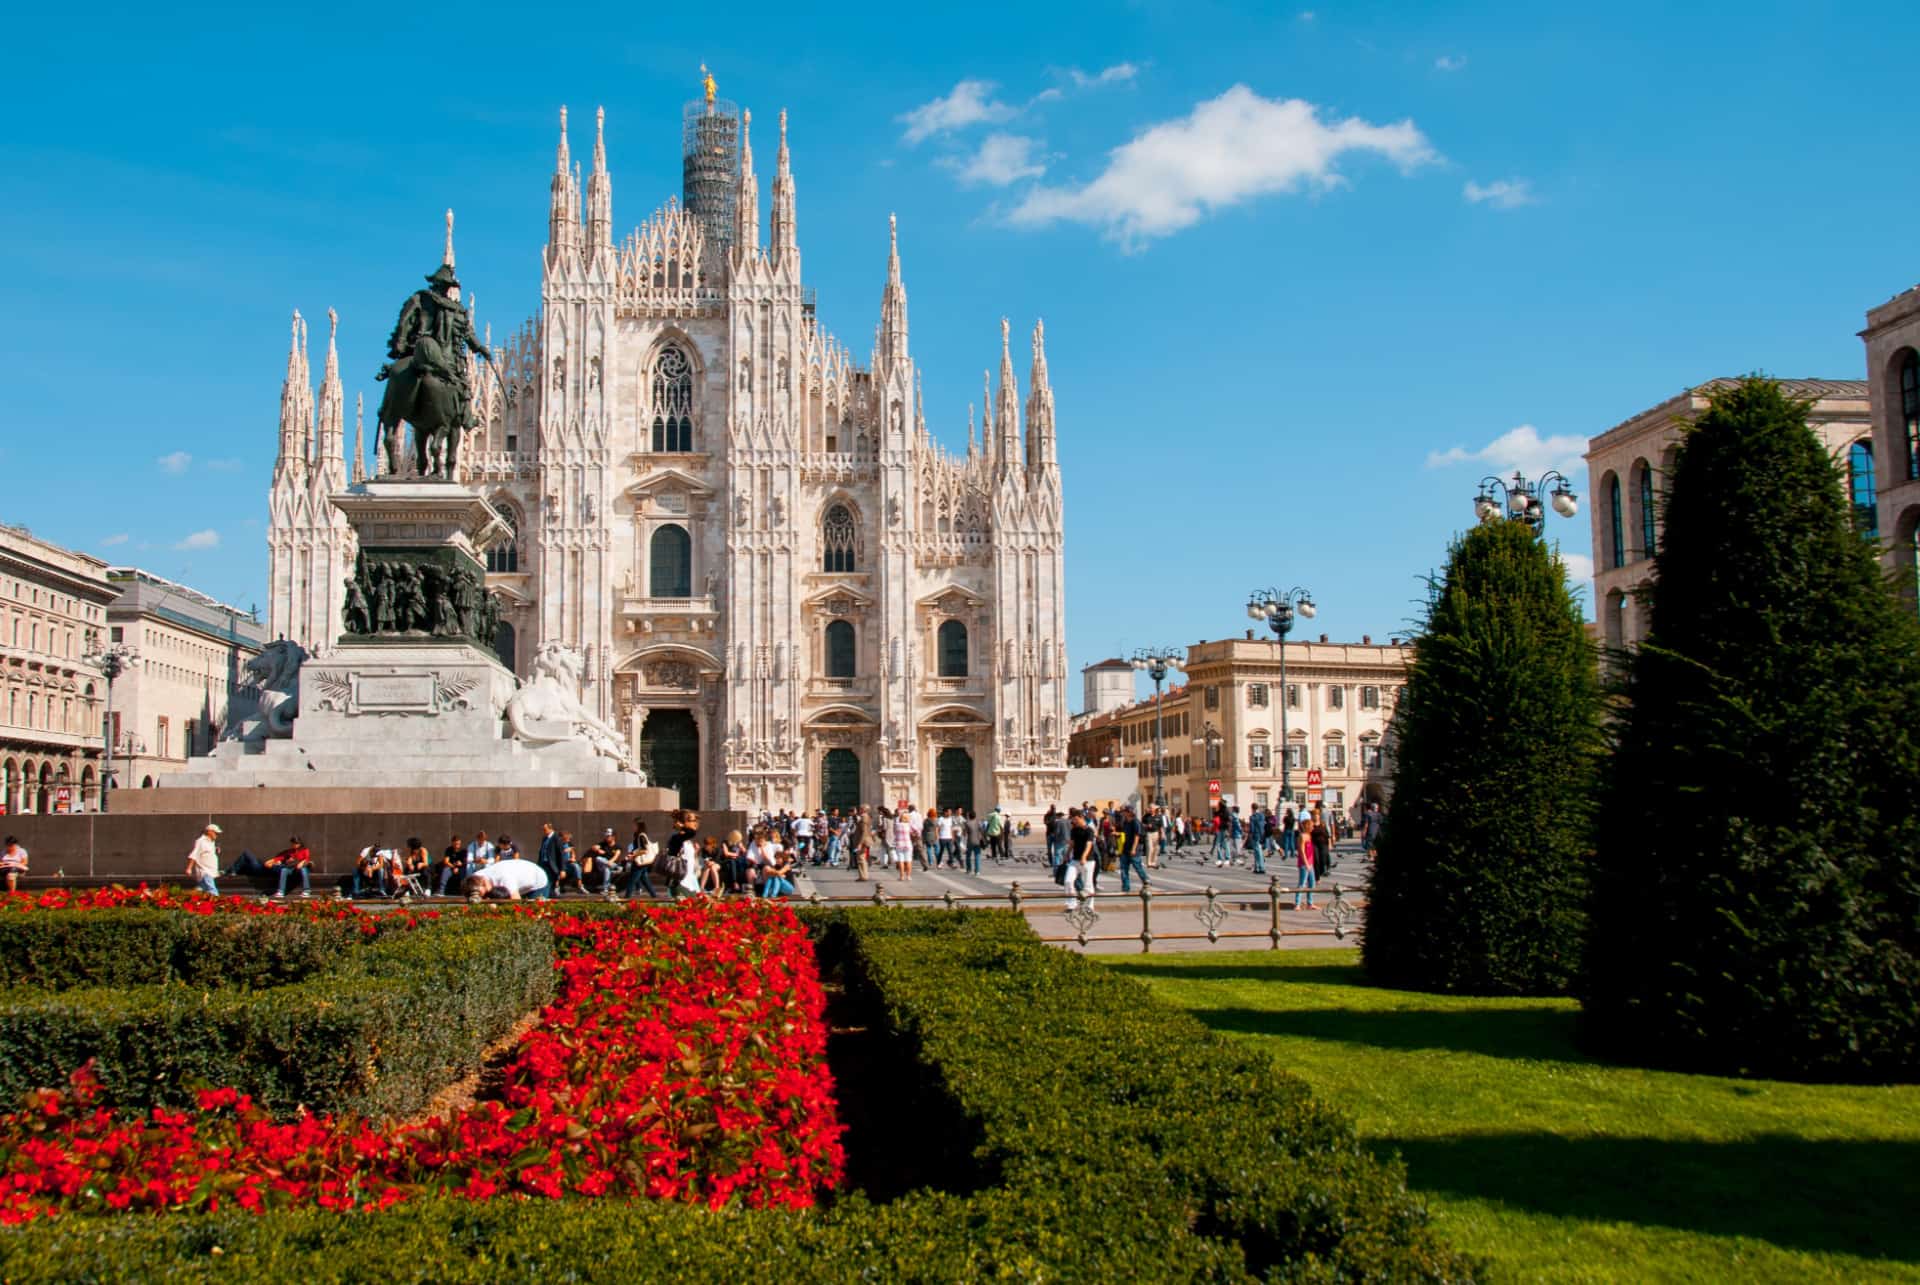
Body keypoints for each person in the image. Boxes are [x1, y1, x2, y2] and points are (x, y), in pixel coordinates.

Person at [464, 856, 550, 901]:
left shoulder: (504, 878)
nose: (485, 897)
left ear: (484, 882)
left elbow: (516, 902)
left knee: (534, 913)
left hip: (537, 881)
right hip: (518, 883)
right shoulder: (475, 878)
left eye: (485, 892)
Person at [623, 821, 660, 898]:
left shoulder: (641, 836)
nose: (633, 827)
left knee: (632, 880)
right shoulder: (639, 835)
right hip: (641, 862)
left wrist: (633, 855)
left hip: (640, 862)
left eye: (634, 825)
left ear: (638, 826)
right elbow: (638, 848)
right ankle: (654, 896)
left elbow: (644, 850)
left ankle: (626, 898)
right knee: (644, 879)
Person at [1117, 806, 1149, 893]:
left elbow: (1137, 836)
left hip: (1134, 849)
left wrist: (1134, 849)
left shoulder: (1135, 822)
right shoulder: (1125, 822)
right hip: (1125, 848)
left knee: (1137, 867)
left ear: (1129, 813)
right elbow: (1124, 833)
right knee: (1123, 868)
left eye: (1124, 812)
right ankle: (1125, 887)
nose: (1123, 813)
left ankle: (1146, 881)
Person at [186, 823, 222, 897]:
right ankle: (217, 906)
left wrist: (216, 849)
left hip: (210, 872)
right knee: (213, 891)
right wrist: (189, 868)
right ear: (209, 831)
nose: (217, 835)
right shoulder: (201, 841)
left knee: (200, 890)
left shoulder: (211, 841)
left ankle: (188, 897)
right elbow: (194, 854)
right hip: (205, 872)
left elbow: (206, 851)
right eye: (216, 833)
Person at [1294, 823, 1317, 910]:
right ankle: (1297, 903)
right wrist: (1306, 863)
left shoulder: (1309, 835)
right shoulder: (1302, 836)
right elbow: (1302, 851)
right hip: (1304, 863)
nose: (1312, 827)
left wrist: (1311, 863)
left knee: (1312, 883)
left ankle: (1310, 903)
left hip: (1310, 862)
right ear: (1307, 826)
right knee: (1302, 883)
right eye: (1311, 826)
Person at [890, 807, 914, 882]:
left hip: (899, 844)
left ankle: (902, 876)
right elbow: (916, 831)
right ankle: (909, 876)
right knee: (909, 860)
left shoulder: (897, 825)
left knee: (901, 860)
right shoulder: (909, 825)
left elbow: (894, 832)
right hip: (907, 844)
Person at [849, 806, 873, 881]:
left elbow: (864, 832)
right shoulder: (866, 817)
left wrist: (860, 843)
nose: (859, 810)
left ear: (863, 810)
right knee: (862, 858)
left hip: (863, 840)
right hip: (865, 839)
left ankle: (863, 876)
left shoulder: (864, 818)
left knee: (861, 858)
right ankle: (863, 875)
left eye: (860, 809)